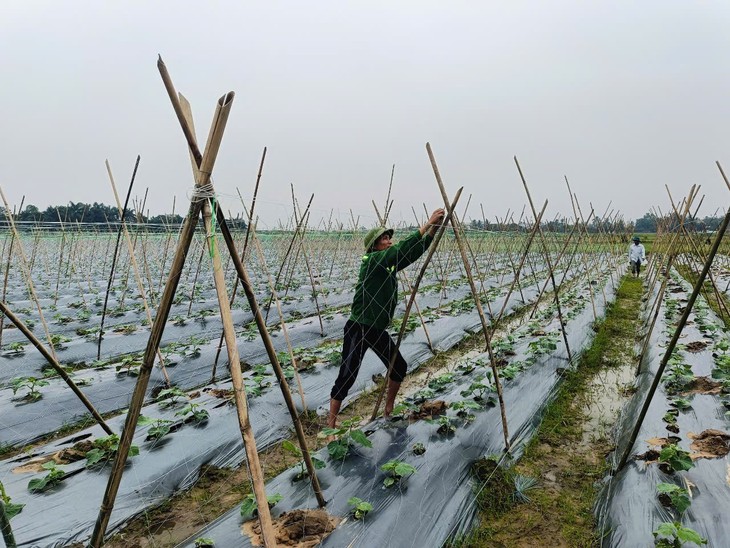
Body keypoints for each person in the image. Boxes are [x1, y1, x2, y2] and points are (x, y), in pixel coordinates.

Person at [327, 208, 446, 427]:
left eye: (389, 238)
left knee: (398, 366)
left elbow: (409, 254)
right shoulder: (371, 261)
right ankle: (331, 424)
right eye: (384, 239)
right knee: (348, 376)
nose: (389, 241)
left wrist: (433, 232)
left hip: (376, 329)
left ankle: (388, 409)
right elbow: (399, 250)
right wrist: (428, 223)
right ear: (374, 246)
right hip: (359, 327)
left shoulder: (388, 266)